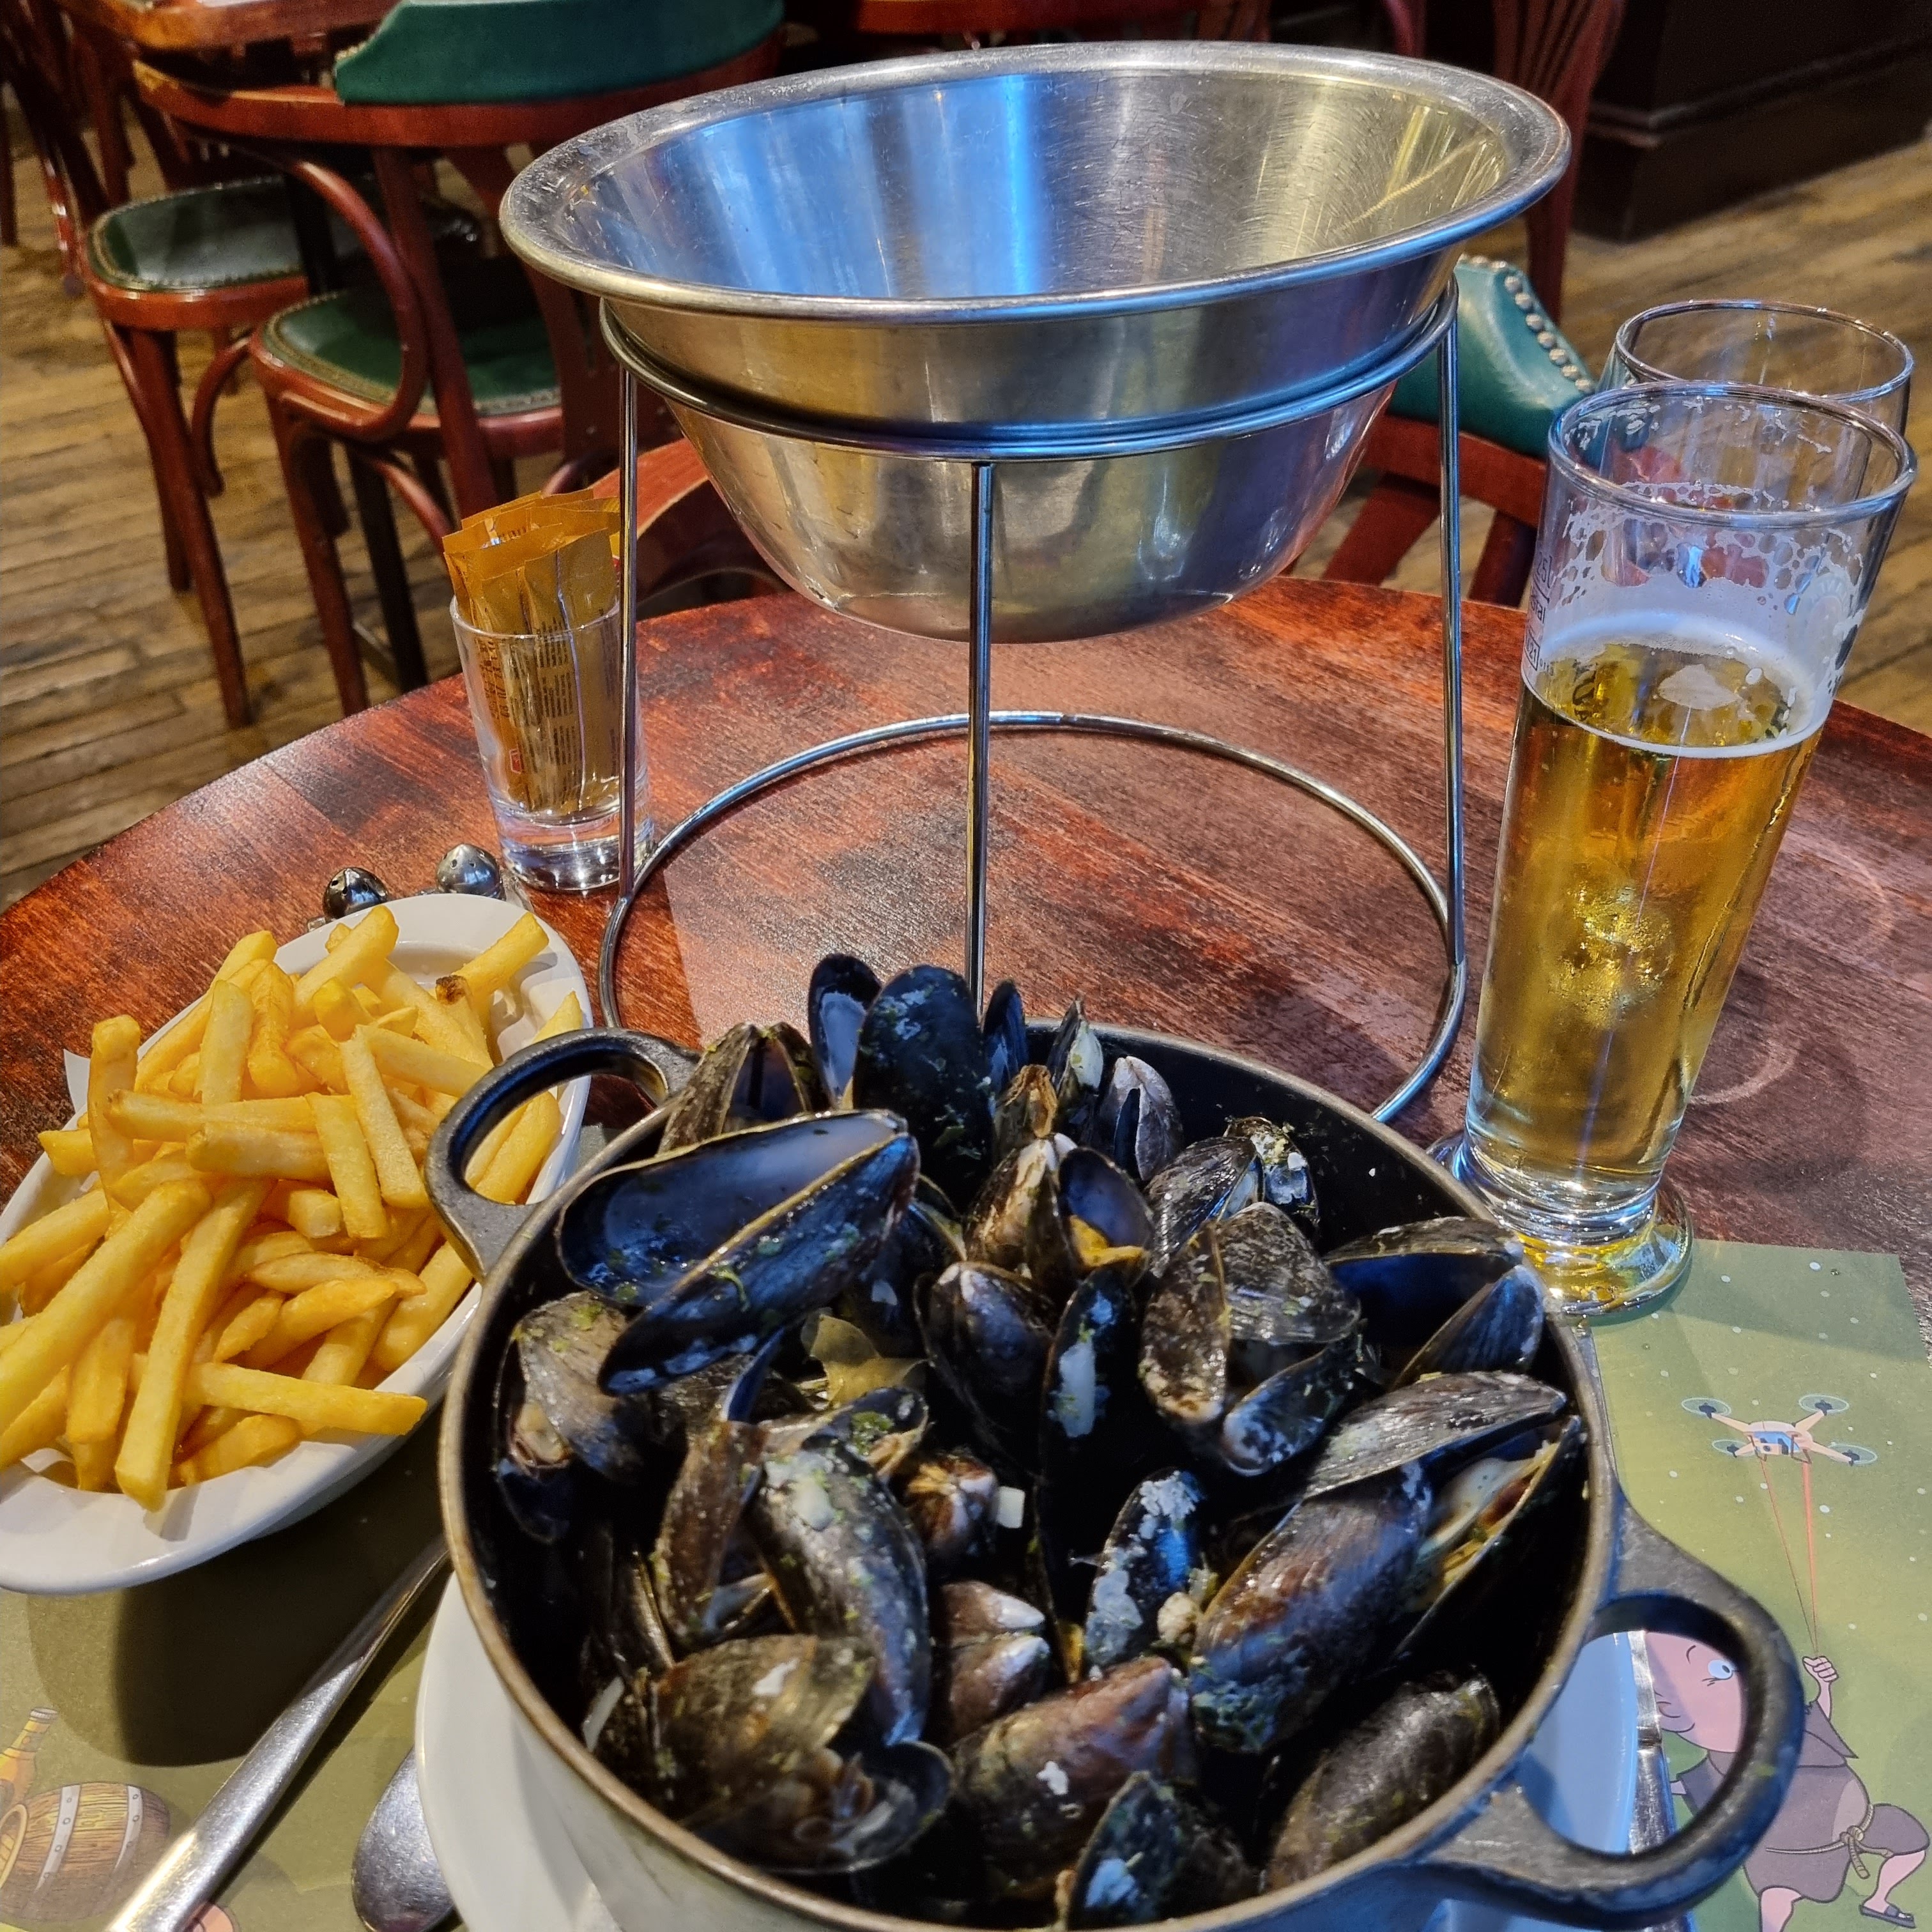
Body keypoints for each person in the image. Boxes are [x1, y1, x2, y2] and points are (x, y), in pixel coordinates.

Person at [1649, 1636, 1927, 1931]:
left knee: (1912, 1846)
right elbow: (1684, 1786)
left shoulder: (1783, 1727)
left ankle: (1878, 1901)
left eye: (1725, 1668)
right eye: (1717, 1676)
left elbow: (1816, 1717)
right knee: (1777, 1896)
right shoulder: (1719, 1768)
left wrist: (1824, 1685)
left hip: (1861, 1825)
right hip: (1791, 1856)